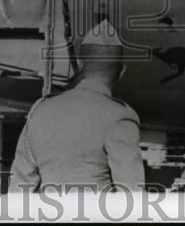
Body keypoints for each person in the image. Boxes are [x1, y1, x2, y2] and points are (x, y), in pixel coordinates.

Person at [10, 19, 144, 191]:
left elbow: (18, 191)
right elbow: (132, 195)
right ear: (122, 71)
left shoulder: (40, 110)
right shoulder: (120, 117)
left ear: (80, 64)